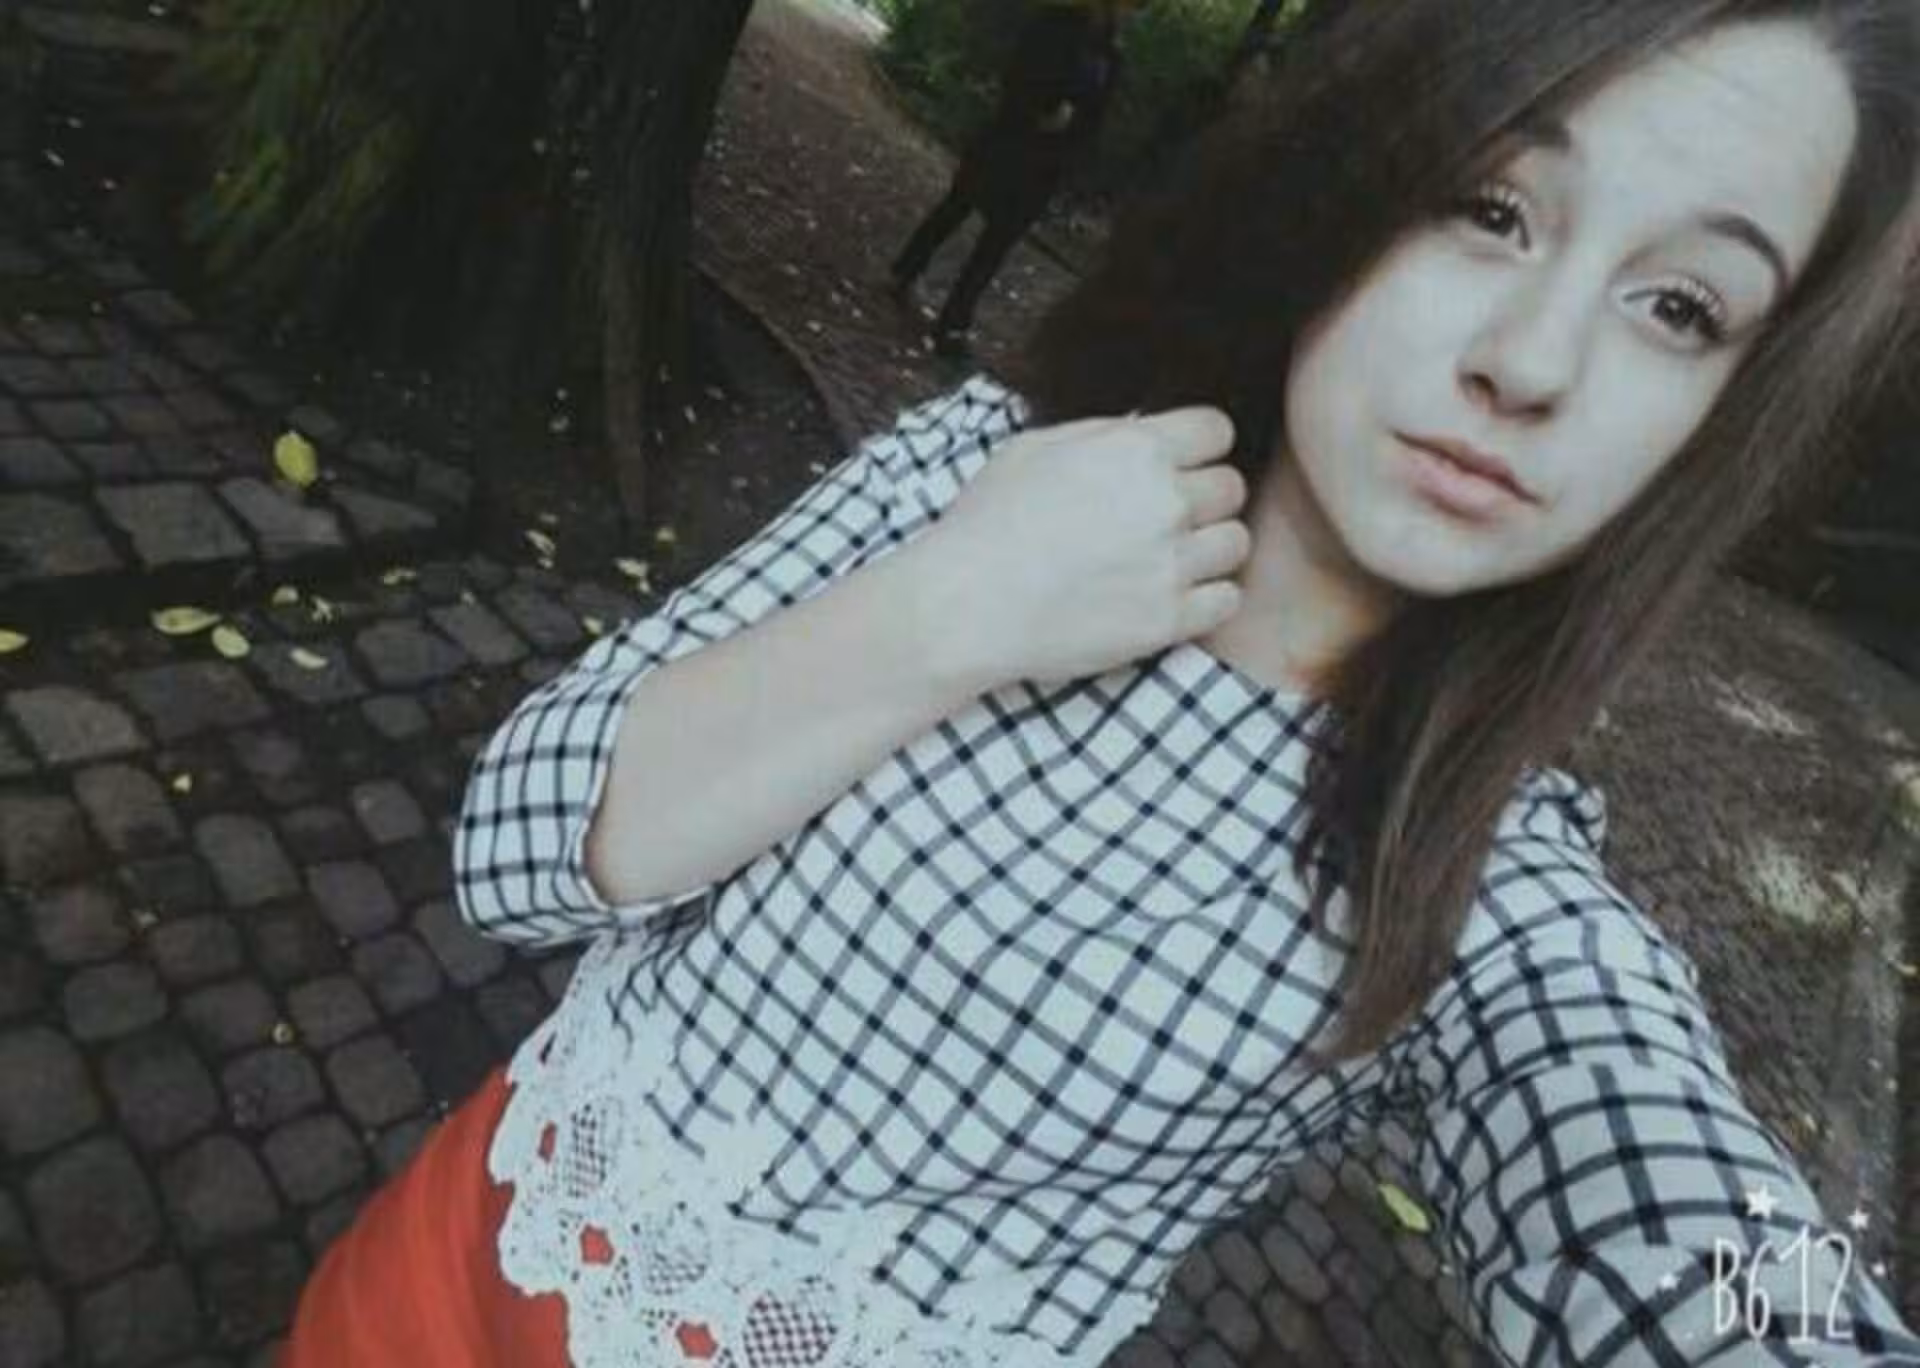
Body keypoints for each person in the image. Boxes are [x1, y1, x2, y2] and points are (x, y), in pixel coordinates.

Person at [279, 1, 1920, 1365]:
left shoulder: (1481, 893)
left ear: (1718, 417)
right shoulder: (994, 470)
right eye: (1492, 209)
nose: (1534, 361)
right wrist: (953, 606)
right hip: (432, 1272)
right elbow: (514, 845)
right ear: (1360, 184)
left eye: (1680, 307)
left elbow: (1713, 1262)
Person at [886, 0, 1135, 360]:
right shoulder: (1057, 23)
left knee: (995, 245)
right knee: (956, 209)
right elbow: (1017, 73)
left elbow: (1096, 117)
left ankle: (954, 321)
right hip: (1007, 142)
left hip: (1045, 165)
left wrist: (1073, 146)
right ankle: (906, 270)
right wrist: (1039, 110)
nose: (1129, 14)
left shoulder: (1110, 57)